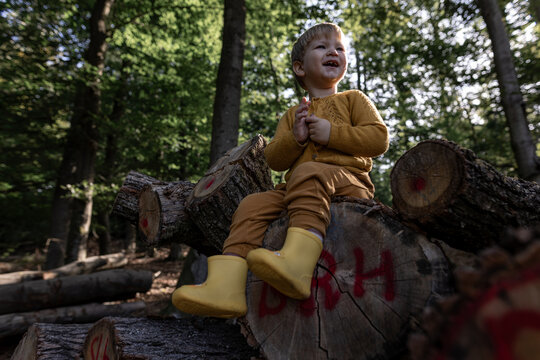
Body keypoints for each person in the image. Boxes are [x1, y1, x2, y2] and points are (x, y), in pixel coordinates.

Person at [172, 22, 389, 318]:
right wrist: (296, 137)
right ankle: (226, 287)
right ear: (300, 68)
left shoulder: (354, 100)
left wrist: (331, 133)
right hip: (298, 188)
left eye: (339, 48)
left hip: (349, 183)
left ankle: (297, 264)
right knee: (252, 204)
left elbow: (379, 139)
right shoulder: (292, 114)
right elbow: (274, 159)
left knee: (307, 172)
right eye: (323, 47)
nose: (333, 52)